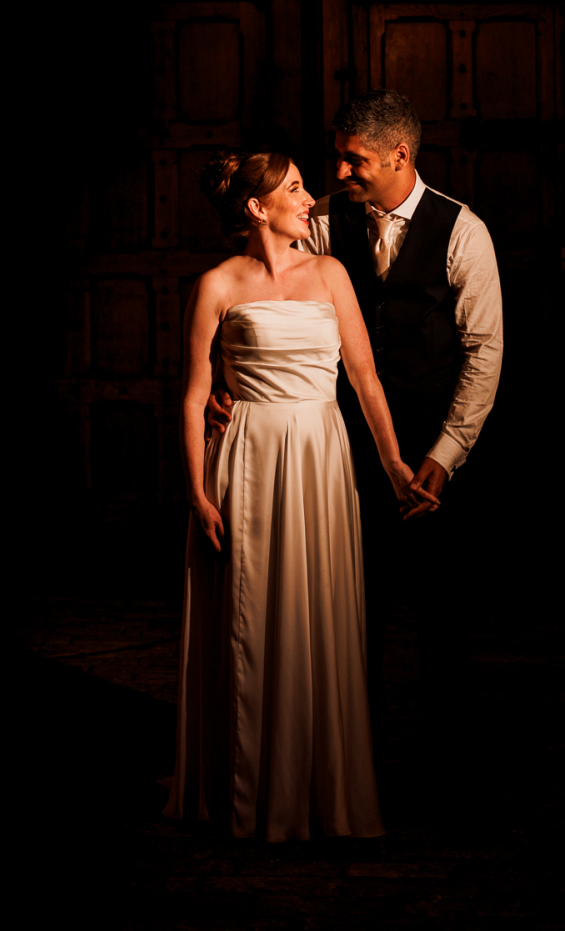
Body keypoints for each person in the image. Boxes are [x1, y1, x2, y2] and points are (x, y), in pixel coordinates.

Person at [207, 91, 503, 761]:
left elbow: (485, 352)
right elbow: (261, 287)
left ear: (400, 155)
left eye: (352, 159)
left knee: (440, 616)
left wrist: (446, 453)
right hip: (338, 452)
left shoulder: (463, 232)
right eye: (337, 158)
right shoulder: (321, 221)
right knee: (345, 617)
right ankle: (352, 761)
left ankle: (445, 762)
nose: (337, 172)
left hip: (430, 456)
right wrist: (225, 382)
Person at [164, 147, 438, 842]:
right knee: (249, 613)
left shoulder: (330, 273)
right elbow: (196, 394)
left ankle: (319, 788)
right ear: (258, 208)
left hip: (319, 451)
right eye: (293, 187)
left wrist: (396, 466)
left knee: (317, 610)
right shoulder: (219, 283)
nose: (310, 195)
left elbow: (365, 378)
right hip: (249, 455)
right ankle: (245, 789)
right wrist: (197, 493)